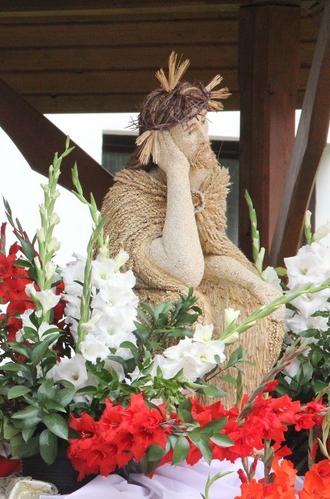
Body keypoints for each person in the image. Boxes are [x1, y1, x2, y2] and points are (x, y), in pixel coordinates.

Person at [102, 52, 284, 404]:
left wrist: (256, 286)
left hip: (183, 282)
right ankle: (176, 414)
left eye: (204, 123)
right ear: (161, 142)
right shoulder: (130, 199)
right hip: (140, 302)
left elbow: (209, 252)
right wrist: (176, 173)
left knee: (253, 307)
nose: (203, 137)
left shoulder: (208, 183)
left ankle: (226, 418)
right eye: (189, 129)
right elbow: (183, 270)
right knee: (189, 310)